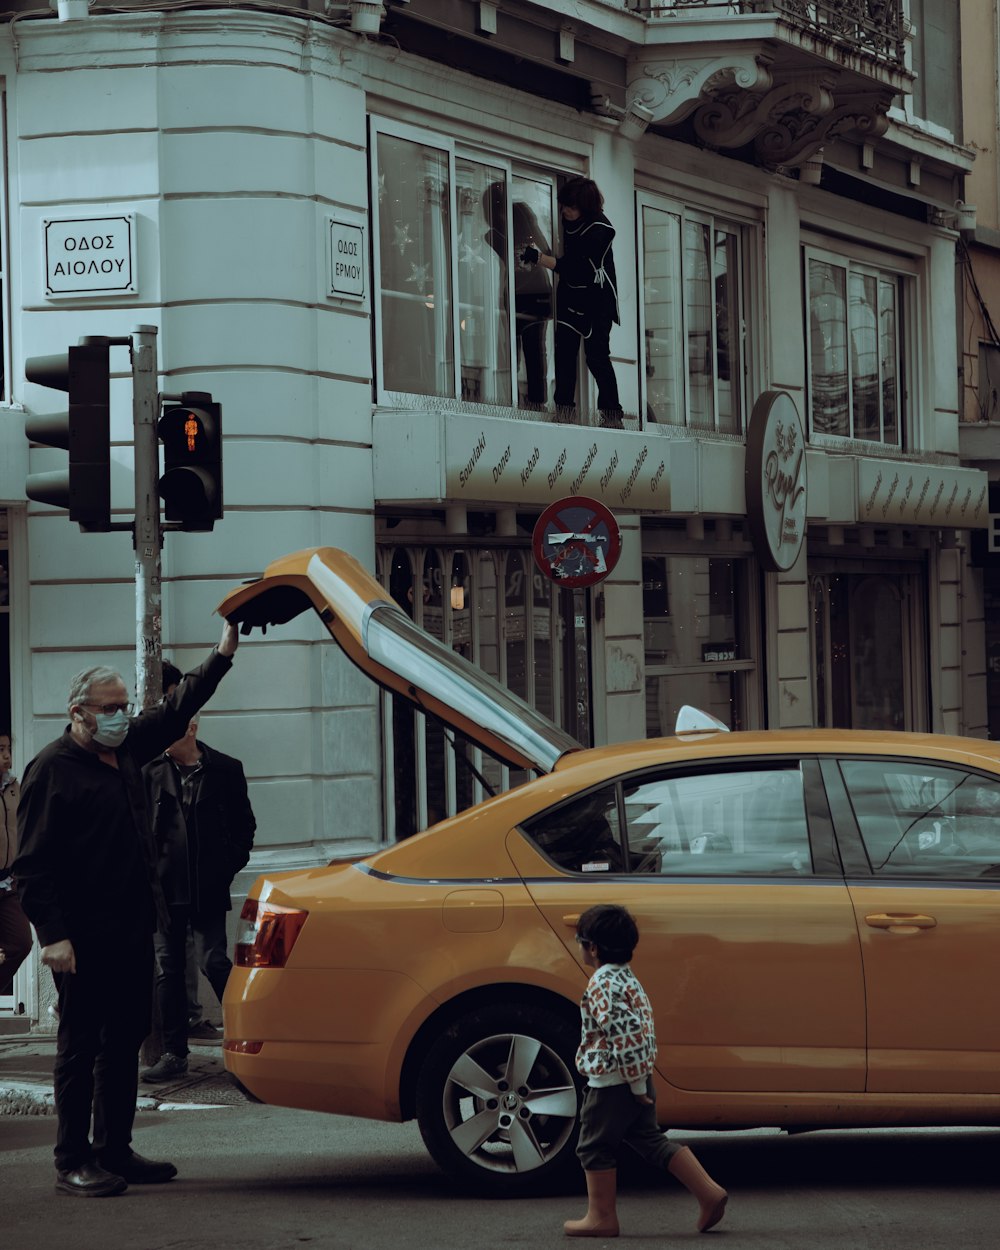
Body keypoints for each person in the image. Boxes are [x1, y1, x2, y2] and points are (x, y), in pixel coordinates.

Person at [12, 621, 240, 1198]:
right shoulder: (52, 770)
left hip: (135, 926)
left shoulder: (129, 749)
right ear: (79, 712)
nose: (120, 715)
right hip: (83, 938)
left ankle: (115, 1148)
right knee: (81, 1045)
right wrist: (54, 935)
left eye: (123, 706)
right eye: (109, 708)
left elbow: (175, 708)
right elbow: (32, 865)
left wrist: (222, 653)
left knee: (125, 1039)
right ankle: (72, 1159)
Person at [565, 904, 727, 1238]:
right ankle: (709, 1193)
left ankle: (601, 1218)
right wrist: (641, 1082)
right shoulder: (626, 978)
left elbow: (626, 1037)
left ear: (592, 947)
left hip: (614, 1083)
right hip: (635, 1078)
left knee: (594, 1146)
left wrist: (636, 1086)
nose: (578, 947)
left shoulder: (602, 984)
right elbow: (640, 1031)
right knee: (649, 1139)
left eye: (580, 941)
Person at [140, 661, 256, 1083]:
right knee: (168, 970)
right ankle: (174, 1053)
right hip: (164, 893)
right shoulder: (149, 773)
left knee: (214, 961)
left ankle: (247, 1039)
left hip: (207, 888)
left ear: (190, 727)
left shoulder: (225, 769)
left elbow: (245, 828)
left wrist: (227, 865)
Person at [521, 177, 623, 426]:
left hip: (597, 301)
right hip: (569, 296)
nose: (565, 211)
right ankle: (565, 412)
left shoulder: (601, 231)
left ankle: (612, 415)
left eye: (571, 206)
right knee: (564, 353)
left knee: (597, 356)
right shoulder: (565, 221)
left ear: (585, 207)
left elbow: (575, 269)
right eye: (563, 205)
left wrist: (539, 258)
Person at [483, 182, 553, 407]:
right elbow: (544, 248)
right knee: (523, 353)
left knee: (528, 353)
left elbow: (546, 249)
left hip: (529, 296)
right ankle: (525, 401)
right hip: (522, 297)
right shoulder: (494, 234)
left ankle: (533, 402)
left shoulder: (519, 216)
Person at [0, 731, 32, 999]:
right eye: (0, 750)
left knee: (21, 943)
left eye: (8, 748)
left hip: (9, 883)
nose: (7, 755)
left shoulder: (14, 787)